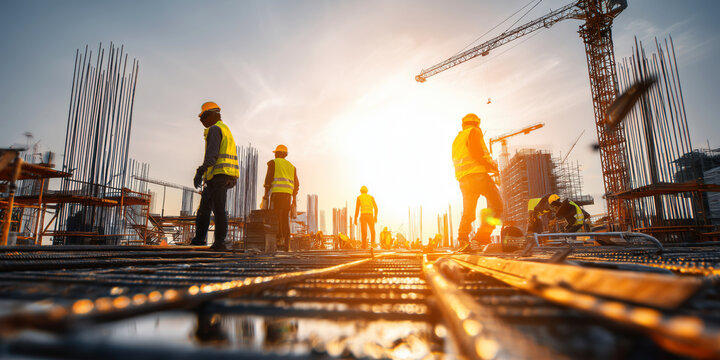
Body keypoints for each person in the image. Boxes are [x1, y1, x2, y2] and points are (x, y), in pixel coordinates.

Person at [190, 102, 239, 251]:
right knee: (207, 208)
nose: (202, 121)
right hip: (224, 175)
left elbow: (212, 157)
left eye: (204, 117)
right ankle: (203, 240)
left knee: (216, 208)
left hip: (219, 175)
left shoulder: (215, 129)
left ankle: (218, 242)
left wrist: (200, 172)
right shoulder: (225, 129)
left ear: (213, 114)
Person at [451, 113, 504, 252]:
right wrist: (491, 166)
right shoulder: (474, 131)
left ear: (463, 124)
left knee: (468, 212)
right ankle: (481, 238)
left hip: (463, 179)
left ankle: (463, 239)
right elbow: (477, 153)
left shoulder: (457, 139)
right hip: (478, 176)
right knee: (497, 205)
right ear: (477, 123)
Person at [263, 144, 299, 251]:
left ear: (278, 154)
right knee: (284, 218)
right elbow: (296, 186)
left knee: (275, 218)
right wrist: (294, 201)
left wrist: (265, 196)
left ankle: (277, 241)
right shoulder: (292, 167)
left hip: (276, 195)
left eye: (276, 153)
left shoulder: (273, 163)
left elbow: (268, 181)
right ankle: (286, 244)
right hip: (287, 196)